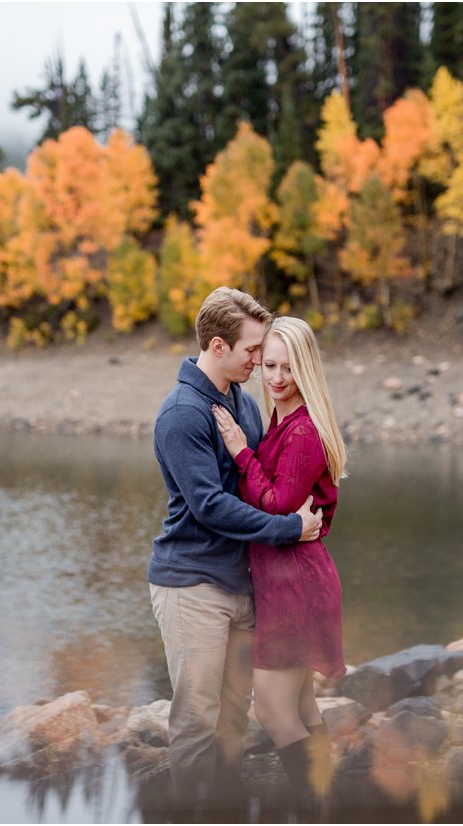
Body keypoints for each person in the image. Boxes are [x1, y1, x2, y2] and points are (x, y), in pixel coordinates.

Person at [148, 288, 324, 812]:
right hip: (191, 583)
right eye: (252, 351)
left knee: (232, 720)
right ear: (219, 346)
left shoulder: (242, 403)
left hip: (243, 585)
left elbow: (264, 480)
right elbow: (209, 506)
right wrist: (288, 529)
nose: (259, 360)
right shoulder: (181, 413)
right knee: (197, 721)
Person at [211, 316, 347, 812]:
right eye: (268, 364)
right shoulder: (282, 421)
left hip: (296, 585)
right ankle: (329, 805)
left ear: (305, 369)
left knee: (270, 707)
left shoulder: (303, 430)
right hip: (290, 580)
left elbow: (278, 505)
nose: (276, 377)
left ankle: (317, 811)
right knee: (302, 704)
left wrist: (240, 453)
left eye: (288, 367)